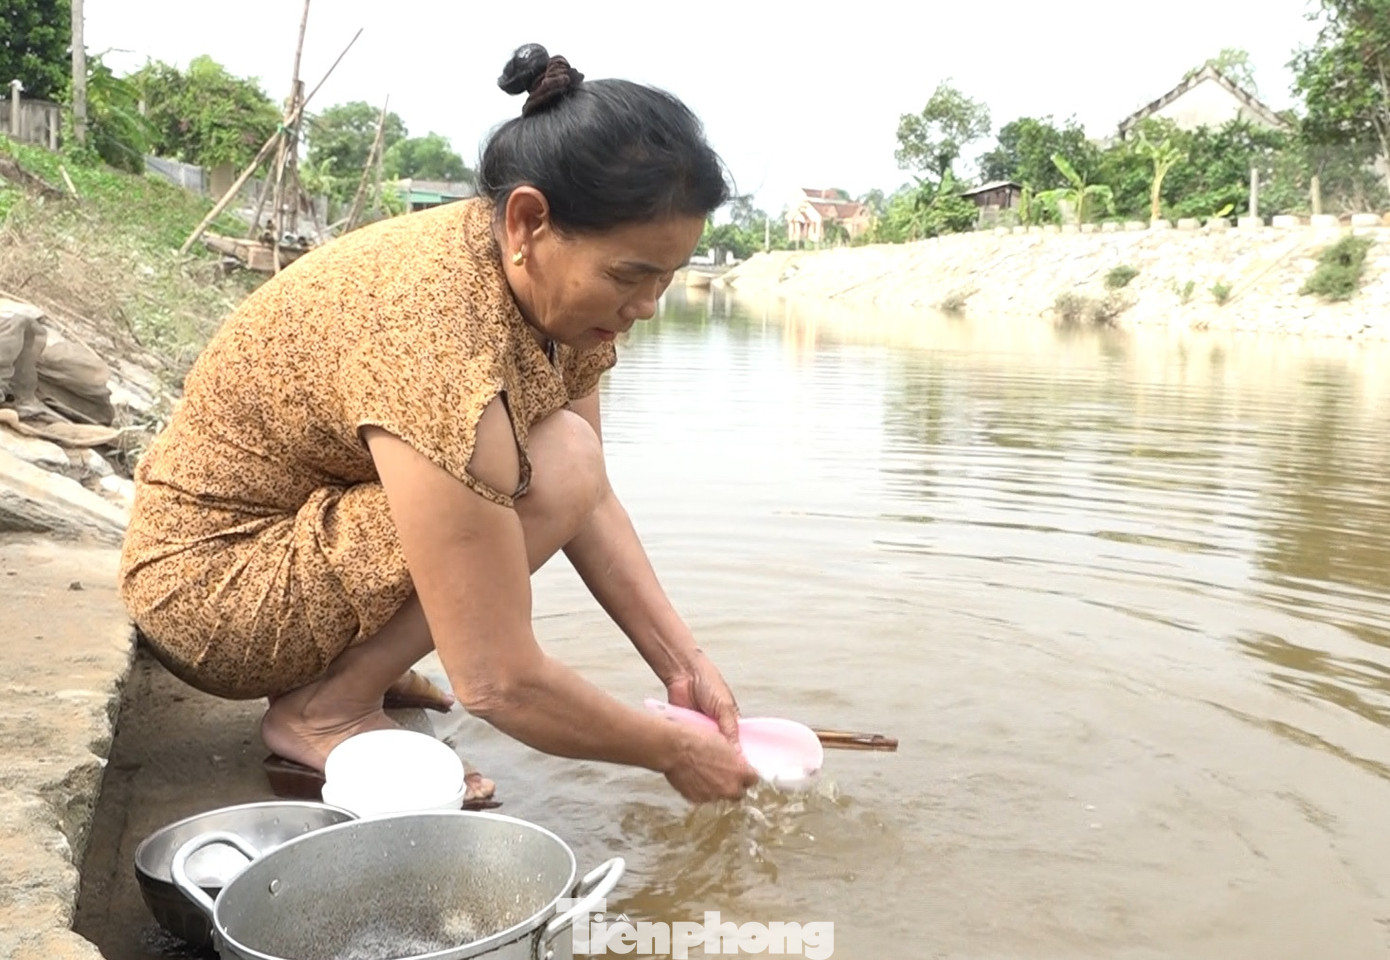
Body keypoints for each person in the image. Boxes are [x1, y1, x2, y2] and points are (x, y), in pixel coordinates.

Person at [117, 43, 760, 805]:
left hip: (301, 538)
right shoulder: (431, 333)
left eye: (668, 278)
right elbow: (497, 681)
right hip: (215, 594)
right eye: (630, 276)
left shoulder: (551, 297)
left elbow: (587, 495)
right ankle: (325, 709)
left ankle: (355, 675)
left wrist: (683, 666)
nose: (648, 306)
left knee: (566, 456)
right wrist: (668, 752)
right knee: (548, 463)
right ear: (528, 221)